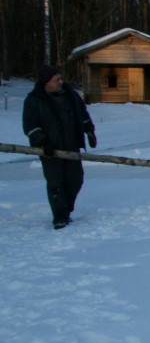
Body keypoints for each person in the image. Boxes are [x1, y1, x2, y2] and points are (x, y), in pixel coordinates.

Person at [23, 66, 97, 229]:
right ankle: (59, 216)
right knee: (56, 183)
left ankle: (66, 210)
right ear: (46, 82)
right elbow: (30, 125)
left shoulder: (70, 95)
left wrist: (89, 131)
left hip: (71, 146)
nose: (61, 82)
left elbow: (83, 114)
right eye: (57, 79)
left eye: (61, 78)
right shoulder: (34, 100)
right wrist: (43, 142)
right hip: (50, 150)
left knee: (75, 180)